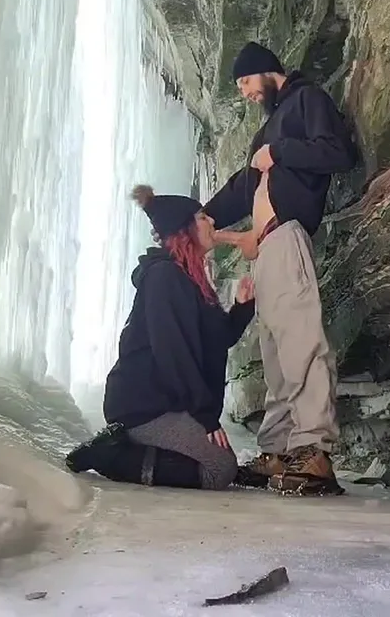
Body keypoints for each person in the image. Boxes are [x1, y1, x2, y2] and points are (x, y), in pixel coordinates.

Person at [204, 41, 359, 495]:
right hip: (265, 246)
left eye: (247, 82)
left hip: (288, 233)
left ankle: (313, 452)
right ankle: (277, 450)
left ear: (267, 71)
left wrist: (281, 152)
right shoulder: (268, 128)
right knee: (273, 352)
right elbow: (243, 186)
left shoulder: (306, 101)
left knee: (300, 342)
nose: (246, 93)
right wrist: (206, 217)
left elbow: (338, 152)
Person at [65, 185, 255, 490]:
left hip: (170, 402)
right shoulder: (164, 278)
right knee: (220, 469)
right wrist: (205, 417)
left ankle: (145, 451)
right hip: (143, 406)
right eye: (203, 218)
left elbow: (220, 339)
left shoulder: (191, 279)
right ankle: (108, 455)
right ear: (186, 229)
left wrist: (243, 308)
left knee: (217, 464)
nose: (213, 224)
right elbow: (173, 353)